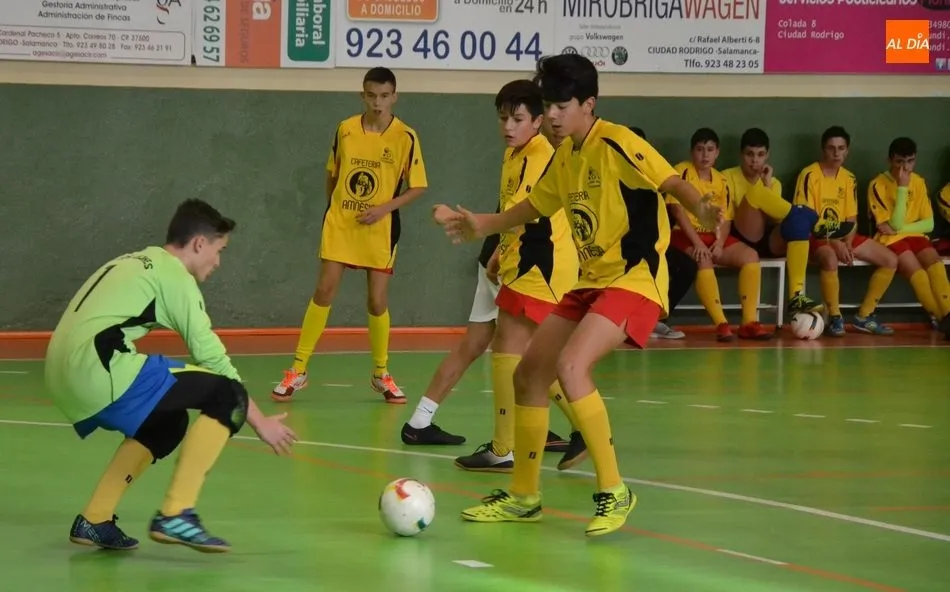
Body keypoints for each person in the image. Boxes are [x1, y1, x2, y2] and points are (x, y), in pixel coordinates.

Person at [439, 54, 721, 537]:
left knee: (571, 367)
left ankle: (614, 489)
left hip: (634, 279)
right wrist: (483, 224)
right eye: (547, 105)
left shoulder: (616, 141)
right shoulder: (564, 155)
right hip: (590, 281)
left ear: (588, 104)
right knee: (529, 374)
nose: (551, 115)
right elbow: (534, 205)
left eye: (561, 106)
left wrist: (702, 207)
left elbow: (670, 181)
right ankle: (525, 496)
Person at [45, 199, 298, 553]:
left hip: (62, 372)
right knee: (228, 394)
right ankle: (177, 513)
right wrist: (258, 421)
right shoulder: (175, 277)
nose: (218, 262)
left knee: (168, 423)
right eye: (219, 250)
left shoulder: (134, 260)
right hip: (99, 369)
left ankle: (95, 518)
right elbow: (214, 360)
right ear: (199, 244)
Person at [401, 116, 579, 460]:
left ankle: (420, 421)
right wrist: (486, 241)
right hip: (519, 264)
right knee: (533, 352)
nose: (508, 126)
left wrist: (485, 242)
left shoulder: (530, 155)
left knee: (483, 346)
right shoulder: (533, 155)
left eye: (517, 118)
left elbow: (515, 212)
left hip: (503, 257)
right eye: (504, 118)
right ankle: (569, 430)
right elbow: (519, 214)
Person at [273, 67, 428, 404]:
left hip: (380, 228)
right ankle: (298, 369)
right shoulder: (345, 129)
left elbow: (417, 187)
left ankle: (381, 373)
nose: (378, 102)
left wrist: (384, 208)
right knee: (324, 290)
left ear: (394, 97)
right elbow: (333, 172)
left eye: (384, 96)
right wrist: (335, 209)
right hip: (342, 223)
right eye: (371, 95)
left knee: (376, 301)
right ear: (362, 95)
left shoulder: (406, 137)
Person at [667, 128, 772, 341]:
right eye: (699, 149)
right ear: (691, 152)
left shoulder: (721, 180)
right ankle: (721, 324)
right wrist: (698, 244)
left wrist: (720, 243)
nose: (705, 155)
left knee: (750, 256)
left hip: (713, 237)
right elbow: (677, 211)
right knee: (703, 259)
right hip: (684, 236)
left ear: (717, 153)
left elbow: (727, 218)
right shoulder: (681, 171)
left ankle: (749, 323)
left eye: (710, 150)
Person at [794, 126, 897, 336]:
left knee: (890, 260)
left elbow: (851, 218)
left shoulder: (849, 178)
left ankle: (864, 317)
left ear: (847, 150)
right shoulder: (809, 174)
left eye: (841, 148)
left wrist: (848, 243)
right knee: (830, 258)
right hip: (816, 238)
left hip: (844, 237)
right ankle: (835, 317)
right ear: (823, 150)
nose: (836, 153)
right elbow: (806, 220)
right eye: (831, 148)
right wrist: (835, 243)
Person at [722, 128, 822, 317]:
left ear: (767, 155)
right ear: (741, 155)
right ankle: (814, 220)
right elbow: (726, 216)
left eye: (760, 155)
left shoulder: (774, 183)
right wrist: (761, 188)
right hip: (739, 236)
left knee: (797, 225)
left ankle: (797, 295)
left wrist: (767, 183)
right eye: (749, 154)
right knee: (755, 193)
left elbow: (775, 219)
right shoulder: (726, 177)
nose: (755, 161)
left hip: (767, 239)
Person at [867, 137, 950, 334]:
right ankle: (942, 319)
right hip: (889, 240)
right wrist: (903, 188)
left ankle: (948, 315)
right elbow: (891, 225)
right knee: (919, 274)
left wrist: (899, 228)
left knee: (935, 265)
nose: (905, 168)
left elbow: (928, 224)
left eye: (910, 161)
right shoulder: (877, 185)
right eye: (899, 162)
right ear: (889, 160)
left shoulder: (919, 182)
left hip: (915, 236)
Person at [627, 126, 697, 341]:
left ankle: (654, 319)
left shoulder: (654, 179)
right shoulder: (607, 176)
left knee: (686, 266)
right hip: (617, 247)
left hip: (651, 245)